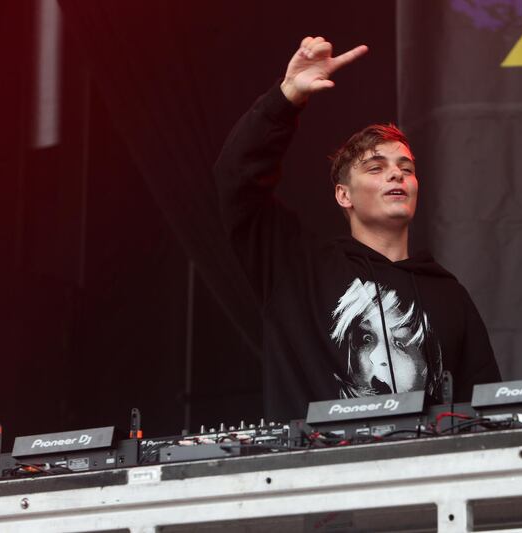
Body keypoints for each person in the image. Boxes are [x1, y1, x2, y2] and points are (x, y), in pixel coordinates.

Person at [214, 36, 500, 421]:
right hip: (321, 474)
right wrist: (286, 98)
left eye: (406, 167)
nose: (396, 173)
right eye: (376, 167)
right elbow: (235, 180)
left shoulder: (448, 293)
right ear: (344, 195)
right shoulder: (297, 268)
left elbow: (484, 411)